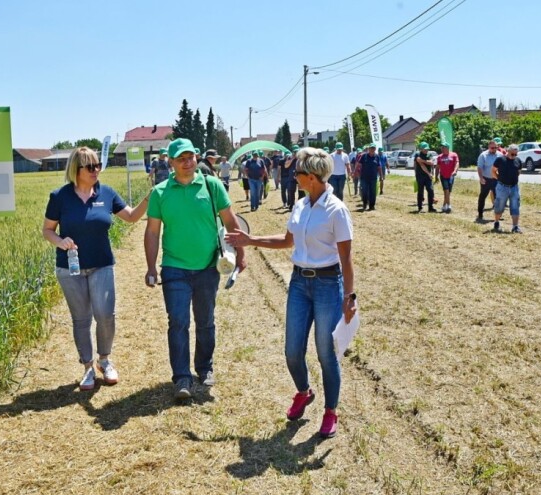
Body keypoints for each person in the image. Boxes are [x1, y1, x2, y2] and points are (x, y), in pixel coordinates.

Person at [225, 147, 355, 439]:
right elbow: (287, 241)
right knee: (292, 351)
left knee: (325, 353)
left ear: (311, 177)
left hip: (327, 285)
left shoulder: (337, 210)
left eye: (296, 173)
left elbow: (346, 258)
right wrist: (250, 239)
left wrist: (350, 296)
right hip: (299, 284)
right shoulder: (300, 205)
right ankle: (303, 391)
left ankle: (330, 411)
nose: (291, 176)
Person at [144, 138, 247, 399]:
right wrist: (151, 267)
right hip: (174, 267)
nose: (187, 162)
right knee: (177, 322)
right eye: (181, 158)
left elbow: (230, 221)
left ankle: (204, 367)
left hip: (206, 267)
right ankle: (181, 378)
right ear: (171, 162)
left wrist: (241, 253)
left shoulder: (211, 186)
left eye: (190, 157)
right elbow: (153, 232)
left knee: (205, 321)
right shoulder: (160, 193)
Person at [42, 147, 150, 390]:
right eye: (90, 167)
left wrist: (150, 197)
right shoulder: (59, 196)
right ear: (76, 170)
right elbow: (47, 230)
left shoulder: (106, 193)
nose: (96, 171)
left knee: (105, 315)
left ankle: (105, 360)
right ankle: (88, 368)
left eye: (98, 166)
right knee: (81, 319)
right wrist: (60, 242)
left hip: (101, 264)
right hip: (70, 269)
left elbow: (131, 217)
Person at [491, 144, 523, 233]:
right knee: (499, 206)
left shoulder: (518, 161)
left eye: (516, 154)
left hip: (514, 187)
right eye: (513, 154)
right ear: (508, 152)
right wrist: (499, 179)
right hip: (502, 187)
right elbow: (493, 171)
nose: (514, 156)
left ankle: (515, 226)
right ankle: (496, 222)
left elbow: (518, 172)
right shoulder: (500, 160)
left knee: (515, 206)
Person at [476, 140, 501, 222]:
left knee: (498, 197)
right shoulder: (483, 155)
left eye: (496, 147)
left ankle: (497, 215)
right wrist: (481, 178)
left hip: (496, 179)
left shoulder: (500, 155)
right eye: (492, 148)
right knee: (483, 196)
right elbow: (480, 167)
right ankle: (480, 214)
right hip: (485, 179)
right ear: (488, 147)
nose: (494, 149)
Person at [358, 143, 383, 211]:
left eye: (373, 148)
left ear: (375, 149)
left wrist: (381, 176)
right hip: (364, 178)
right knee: (365, 191)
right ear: (369, 149)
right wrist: (357, 173)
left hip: (373, 178)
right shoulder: (364, 156)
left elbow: (379, 167)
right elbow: (359, 165)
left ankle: (372, 206)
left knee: (373, 192)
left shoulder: (377, 157)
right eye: (371, 148)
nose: (372, 149)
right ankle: (365, 204)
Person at [413, 142, 436, 213]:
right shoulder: (417, 154)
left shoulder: (429, 154)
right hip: (420, 176)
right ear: (421, 149)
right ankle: (420, 207)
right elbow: (421, 165)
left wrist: (423, 161)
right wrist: (427, 162)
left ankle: (431, 207)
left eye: (427, 149)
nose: (426, 150)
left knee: (430, 190)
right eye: (425, 149)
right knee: (420, 191)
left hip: (428, 176)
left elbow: (432, 162)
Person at [436, 143, 460, 213]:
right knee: (446, 190)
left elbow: (457, 163)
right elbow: (437, 167)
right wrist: (436, 176)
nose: (442, 149)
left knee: (448, 191)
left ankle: (444, 205)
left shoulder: (454, 155)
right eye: (441, 147)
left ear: (447, 148)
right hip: (443, 175)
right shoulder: (440, 156)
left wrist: (455, 171)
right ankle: (449, 205)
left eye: (443, 147)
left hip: (451, 176)